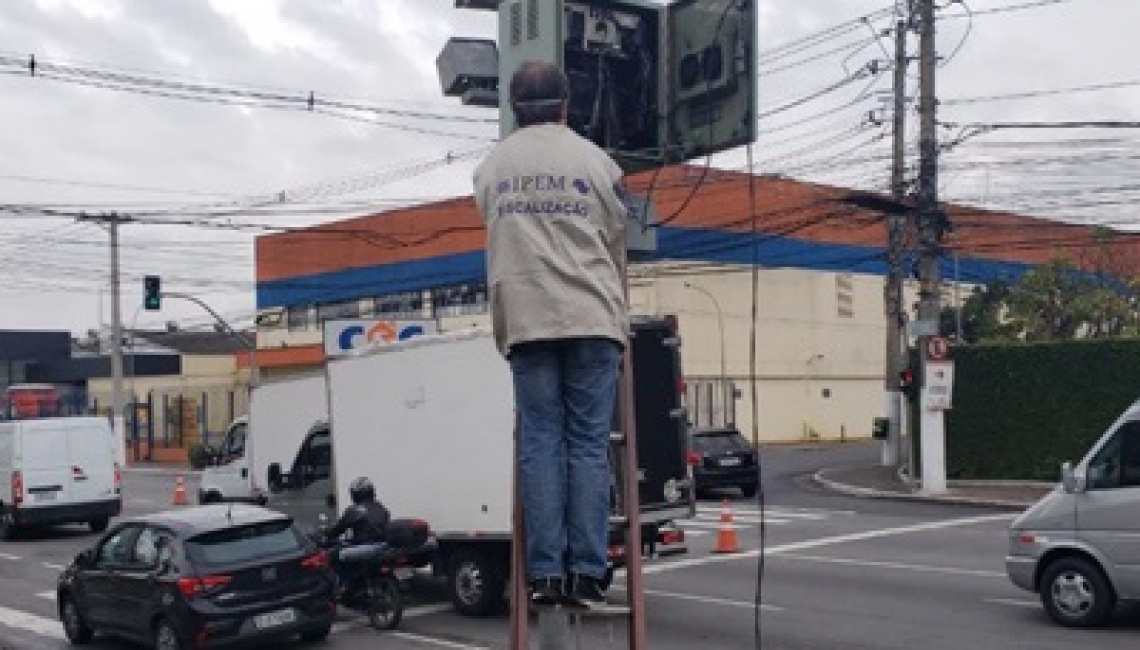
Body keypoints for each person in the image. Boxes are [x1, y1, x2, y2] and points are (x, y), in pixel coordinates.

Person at [472, 60, 629, 609]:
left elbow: (488, 217)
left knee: (541, 442)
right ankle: (588, 571)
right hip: (590, 317)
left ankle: (546, 575)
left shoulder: (493, 168)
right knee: (588, 446)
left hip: (528, 319)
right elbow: (617, 232)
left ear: (515, 109)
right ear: (566, 105)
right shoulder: (598, 163)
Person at [324, 477, 390, 595]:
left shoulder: (355, 510)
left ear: (355, 494)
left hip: (366, 546)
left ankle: (345, 585)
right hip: (384, 545)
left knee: (333, 555)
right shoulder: (380, 507)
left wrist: (327, 536)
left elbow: (339, 528)